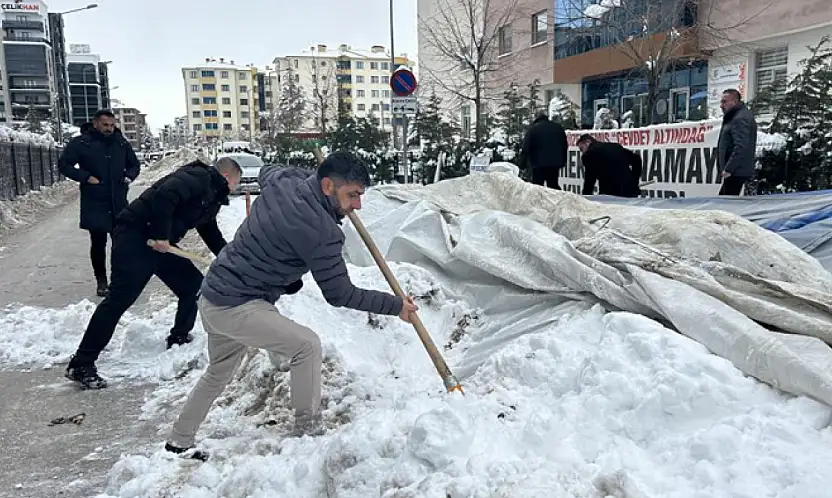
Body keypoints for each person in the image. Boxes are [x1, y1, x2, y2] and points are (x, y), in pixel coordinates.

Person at [164, 151, 419, 460]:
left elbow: (268, 171)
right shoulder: (321, 232)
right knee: (306, 346)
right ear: (327, 186)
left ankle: (179, 439)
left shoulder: (285, 181)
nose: (357, 205)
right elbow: (339, 294)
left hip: (214, 293)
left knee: (218, 372)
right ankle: (307, 432)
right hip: (239, 305)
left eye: (360, 196)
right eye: (352, 195)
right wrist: (397, 306)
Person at [64, 157, 242, 390]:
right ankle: (82, 363)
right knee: (119, 299)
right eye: (236, 183)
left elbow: (209, 230)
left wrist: (229, 258)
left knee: (194, 286)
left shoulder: (212, 196)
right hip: (135, 237)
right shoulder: (199, 178)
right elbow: (164, 195)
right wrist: (160, 235)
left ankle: (179, 336)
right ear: (227, 177)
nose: (236, 188)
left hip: (161, 244)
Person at [58, 110, 141, 297]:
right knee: (98, 243)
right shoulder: (82, 143)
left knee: (121, 243)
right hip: (95, 201)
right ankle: (101, 281)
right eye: (105, 125)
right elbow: (64, 165)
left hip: (119, 200)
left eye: (112, 125)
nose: (109, 129)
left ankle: (119, 279)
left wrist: (129, 177)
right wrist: (86, 177)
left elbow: (134, 165)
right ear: (95, 123)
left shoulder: (121, 143)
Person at [717, 89, 758, 195]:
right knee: (724, 203)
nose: (721, 105)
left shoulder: (739, 118)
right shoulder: (735, 116)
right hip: (735, 172)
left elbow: (741, 146)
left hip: (735, 172)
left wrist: (729, 169)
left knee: (724, 205)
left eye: (724, 102)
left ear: (734, 102)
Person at [577, 134, 642, 197]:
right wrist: (634, 181)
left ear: (588, 142)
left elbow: (590, 179)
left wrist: (585, 197)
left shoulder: (588, 155)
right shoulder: (615, 146)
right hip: (630, 189)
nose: (582, 152)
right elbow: (637, 159)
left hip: (610, 193)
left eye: (581, 149)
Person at [519, 112, 568, 189]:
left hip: (538, 164)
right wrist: (563, 161)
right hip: (555, 164)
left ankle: (538, 201)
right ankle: (555, 200)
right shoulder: (558, 128)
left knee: (538, 188)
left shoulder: (533, 129)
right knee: (553, 186)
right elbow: (564, 145)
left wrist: (521, 165)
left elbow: (526, 148)